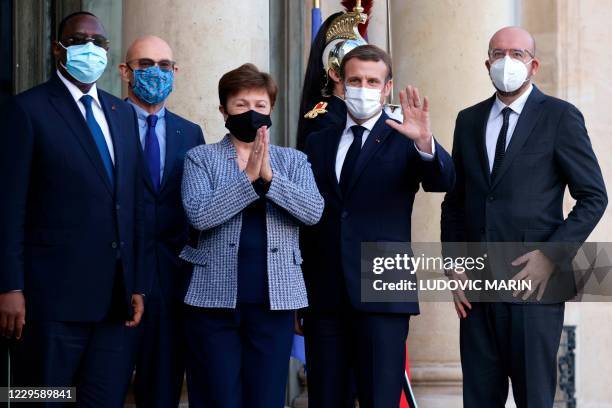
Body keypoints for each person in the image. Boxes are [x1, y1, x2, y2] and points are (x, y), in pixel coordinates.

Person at [441, 26, 607, 408]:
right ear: (487, 63)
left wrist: (551, 255)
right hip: (478, 292)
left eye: (516, 54)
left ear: (533, 65)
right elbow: (455, 202)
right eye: (498, 54)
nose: (506, 61)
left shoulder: (560, 117)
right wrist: (454, 265)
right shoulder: (468, 121)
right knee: (479, 399)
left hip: (534, 288)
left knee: (534, 397)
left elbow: (594, 196)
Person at [0, 11, 146, 406]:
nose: (90, 49)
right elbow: (9, 207)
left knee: (102, 400)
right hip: (49, 305)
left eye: (98, 42)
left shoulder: (122, 114)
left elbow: (130, 205)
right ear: (57, 48)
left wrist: (136, 284)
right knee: (39, 399)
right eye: (79, 40)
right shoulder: (26, 110)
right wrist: (9, 286)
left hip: (113, 304)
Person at [301, 44, 455, 407]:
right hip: (325, 295)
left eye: (372, 81)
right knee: (324, 398)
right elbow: (309, 218)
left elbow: (444, 180)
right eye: (355, 79)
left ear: (387, 88)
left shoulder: (405, 136)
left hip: (384, 289)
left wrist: (424, 142)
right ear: (340, 82)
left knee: (380, 400)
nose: (363, 87)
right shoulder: (319, 141)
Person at [179, 63, 324, 408]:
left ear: (271, 109)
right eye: (241, 105)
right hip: (213, 299)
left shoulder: (293, 161)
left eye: (260, 105)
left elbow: (313, 211)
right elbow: (200, 214)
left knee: (266, 396)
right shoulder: (200, 158)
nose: (251, 113)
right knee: (218, 395)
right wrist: (247, 178)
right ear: (223, 110)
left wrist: (271, 178)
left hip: (274, 300)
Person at [118, 36, 205, 407]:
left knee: (163, 390)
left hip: (173, 282)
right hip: (115, 279)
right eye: (145, 64)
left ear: (176, 72)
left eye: (165, 65)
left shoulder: (192, 133)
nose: (156, 72)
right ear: (125, 72)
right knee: (100, 388)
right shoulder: (107, 121)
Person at [297, 3, 369, 151]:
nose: (366, 85)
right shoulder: (322, 119)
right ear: (336, 74)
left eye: (372, 79)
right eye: (356, 78)